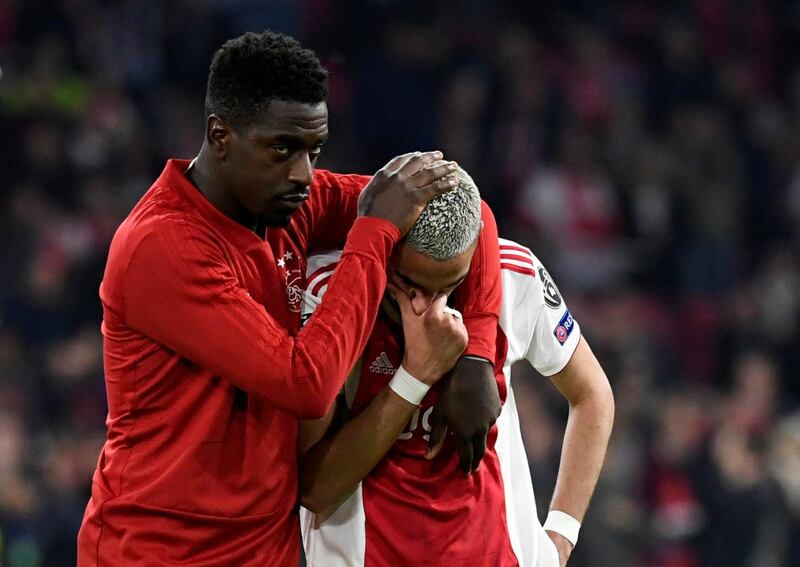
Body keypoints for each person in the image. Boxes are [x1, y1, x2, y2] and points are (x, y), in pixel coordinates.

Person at [77, 31, 502, 566]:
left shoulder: (286, 204)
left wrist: (478, 355)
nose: (303, 174)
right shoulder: (162, 247)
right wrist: (371, 234)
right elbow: (305, 385)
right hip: (156, 552)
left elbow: (463, 204)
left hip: (265, 550)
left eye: (313, 150)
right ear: (221, 135)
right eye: (282, 148)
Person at [297, 167, 615, 566]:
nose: (424, 305)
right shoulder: (327, 295)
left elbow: (592, 394)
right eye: (409, 283)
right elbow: (314, 488)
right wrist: (416, 375)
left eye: (447, 287)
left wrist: (560, 536)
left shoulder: (513, 274)